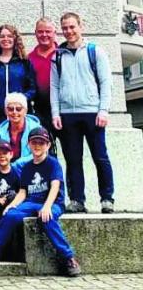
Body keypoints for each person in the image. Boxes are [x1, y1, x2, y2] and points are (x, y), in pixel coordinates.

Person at [0, 127, 81, 277]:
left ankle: (68, 257)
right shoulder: (27, 167)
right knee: (11, 215)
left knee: (47, 219)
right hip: (31, 202)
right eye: (34, 142)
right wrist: (11, 205)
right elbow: (23, 192)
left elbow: (55, 186)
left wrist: (47, 206)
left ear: (48, 145)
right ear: (29, 145)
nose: (37, 146)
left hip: (52, 202)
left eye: (41, 143)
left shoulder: (53, 163)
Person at [51, 12, 114, 214]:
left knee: (100, 157)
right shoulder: (58, 55)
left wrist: (103, 110)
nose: (69, 31)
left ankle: (107, 198)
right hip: (68, 114)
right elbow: (54, 87)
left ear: (80, 27)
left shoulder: (95, 51)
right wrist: (55, 113)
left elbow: (106, 83)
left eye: (72, 27)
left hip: (92, 112)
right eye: (65, 28)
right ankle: (77, 199)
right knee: (73, 159)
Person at [0, 24, 37, 134]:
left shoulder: (24, 62)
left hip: (19, 113)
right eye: (2, 36)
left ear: (15, 39)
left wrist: (21, 99)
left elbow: (32, 88)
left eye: (9, 36)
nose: (5, 39)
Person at [28, 17, 58, 136]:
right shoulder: (29, 58)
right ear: (35, 33)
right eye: (40, 31)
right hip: (40, 110)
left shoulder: (62, 54)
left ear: (54, 33)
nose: (44, 35)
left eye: (48, 31)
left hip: (63, 109)